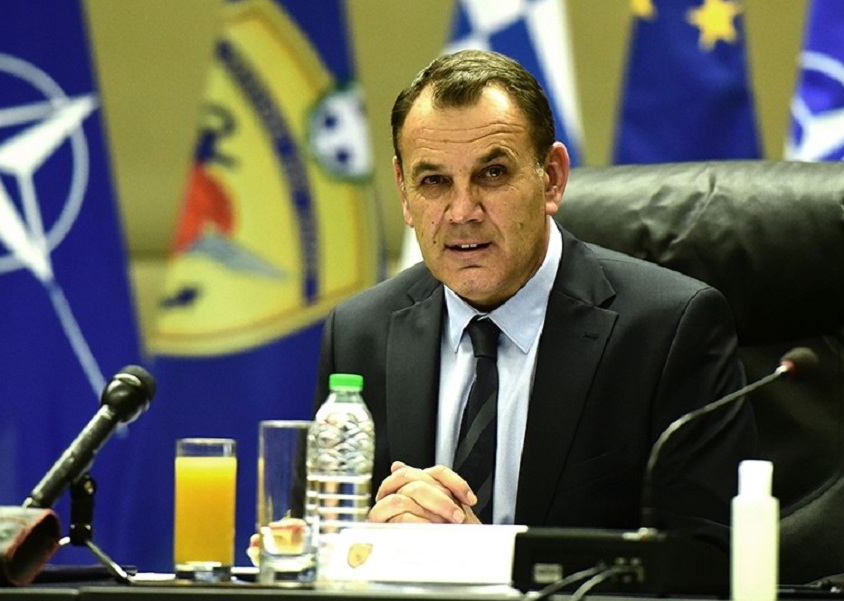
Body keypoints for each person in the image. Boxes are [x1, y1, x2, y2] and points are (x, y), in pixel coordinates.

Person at [313, 49, 755, 534]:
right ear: (403, 191)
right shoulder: (359, 333)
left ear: (552, 178)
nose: (462, 212)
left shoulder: (668, 331)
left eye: (493, 174)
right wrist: (366, 546)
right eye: (434, 181)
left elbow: (703, 559)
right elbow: (323, 536)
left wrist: (482, 559)